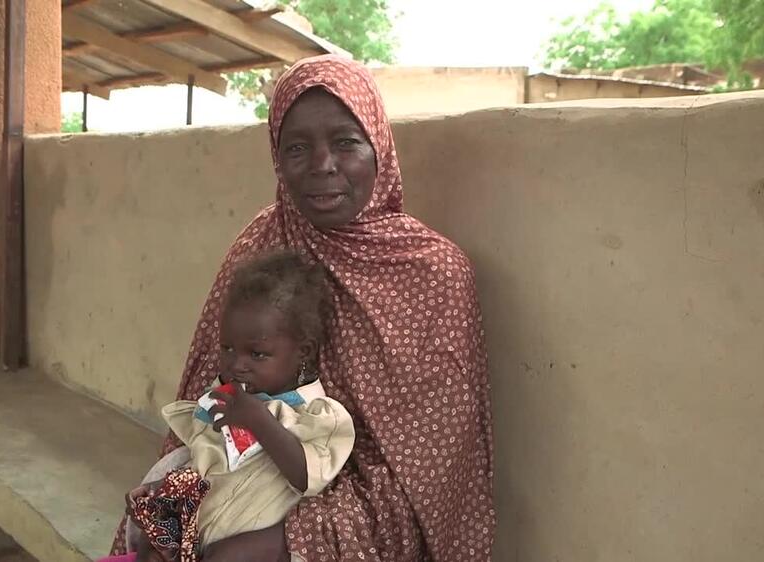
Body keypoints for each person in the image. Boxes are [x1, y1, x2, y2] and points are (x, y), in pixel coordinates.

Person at [157, 55, 495, 561]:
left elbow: (435, 468)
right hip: (246, 456)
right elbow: (215, 380)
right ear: (276, 156)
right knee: (158, 527)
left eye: (346, 142)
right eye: (297, 148)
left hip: (368, 495)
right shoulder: (262, 242)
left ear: (378, 145)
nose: (322, 166)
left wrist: (312, 510)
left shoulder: (434, 272)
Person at [108, 252, 355, 562]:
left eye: (258, 354)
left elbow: (308, 478)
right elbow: (203, 460)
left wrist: (259, 420)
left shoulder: (319, 415)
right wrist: (160, 487)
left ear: (303, 352)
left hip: (246, 535)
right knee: (151, 543)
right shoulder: (223, 399)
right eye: (227, 348)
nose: (238, 365)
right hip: (196, 520)